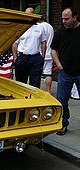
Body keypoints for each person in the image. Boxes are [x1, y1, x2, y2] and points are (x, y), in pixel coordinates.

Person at [51, 7, 80, 135]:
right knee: (61, 100)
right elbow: (53, 50)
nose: (64, 21)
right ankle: (63, 123)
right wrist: (59, 66)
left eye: (66, 19)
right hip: (65, 73)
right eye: (62, 18)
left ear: (75, 17)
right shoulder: (60, 33)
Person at [12, 7, 46, 88]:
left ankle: (33, 100)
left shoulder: (40, 28)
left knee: (35, 84)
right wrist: (15, 58)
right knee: (20, 83)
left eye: (30, 15)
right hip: (23, 58)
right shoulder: (20, 28)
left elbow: (43, 42)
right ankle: (22, 100)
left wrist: (42, 57)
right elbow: (14, 44)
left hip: (36, 58)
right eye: (27, 15)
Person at [38, 16, 54, 93]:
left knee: (37, 73)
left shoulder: (39, 27)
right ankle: (48, 91)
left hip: (41, 54)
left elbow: (41, 42)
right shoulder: (50, 27)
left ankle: (38, 90)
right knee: (48, 74)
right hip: (50, 53)